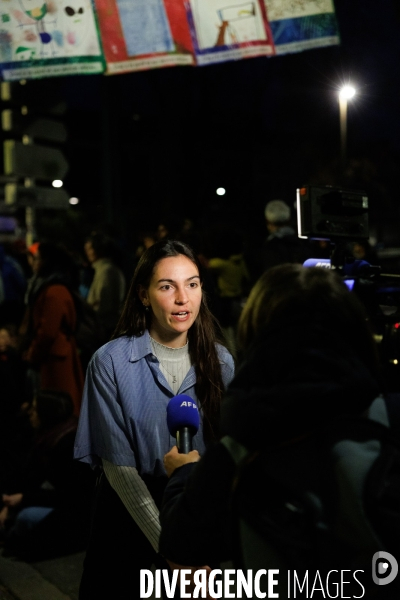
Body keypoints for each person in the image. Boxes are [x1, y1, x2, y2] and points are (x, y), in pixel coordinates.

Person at [158, 264, 394, 594]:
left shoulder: (237, 450)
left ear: (256, 333)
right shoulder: (389, 419)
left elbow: (181, 544)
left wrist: (185, 475)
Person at [74, 239, 235, 600]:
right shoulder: (110, 362)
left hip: (196, 518)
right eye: (167, 286)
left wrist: (201, 550)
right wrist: (172, 550)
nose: (183, 298)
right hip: (127, 522)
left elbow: (226, 461)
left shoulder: (222, 362)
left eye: (192, 284)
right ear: (144, 296)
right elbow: (120, 471)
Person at [0, 390, 94, 560]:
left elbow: (70, 495)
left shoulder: (67, 443)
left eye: (35, 409)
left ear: (47, 414)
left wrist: (23, 499)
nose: (30, 413)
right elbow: (28, 477)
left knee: (25, 518)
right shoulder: (46, 436)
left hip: (76, 511)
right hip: (52, 496)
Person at [22, 242, 84, 416]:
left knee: (58, 409)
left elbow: (48, 331)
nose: (34, 263)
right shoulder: (54, 287)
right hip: (57, 355)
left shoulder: (54, 291)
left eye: (38, 259)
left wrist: (33, 353)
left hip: (56, 359)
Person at [84, 232, 126, 340]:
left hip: (105, 330)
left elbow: (104, 305)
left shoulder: (106, 271)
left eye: (90, 249)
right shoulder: (104, 270)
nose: (87, 253)